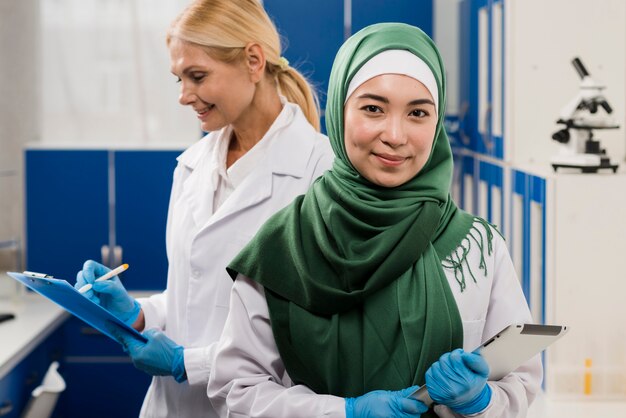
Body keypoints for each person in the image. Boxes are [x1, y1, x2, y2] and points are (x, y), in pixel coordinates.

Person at [208, 22, 542, 418]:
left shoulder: (476, 246)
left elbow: (519, 381)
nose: (396, 135)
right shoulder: (284, 246)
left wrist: (480, 401)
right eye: (373, 109)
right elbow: (236, 391)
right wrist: (344, 412)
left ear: (436, 127)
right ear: (340, 112)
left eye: (418, 112)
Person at [74, 0, 333, 417]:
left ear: (253, 60)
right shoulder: (191, 166)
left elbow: (308, 338)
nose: (183, 96)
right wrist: (139, 314)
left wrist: (186, 364)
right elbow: (191, 299)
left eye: (197, 76)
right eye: (178, 78)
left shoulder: (319, 174)